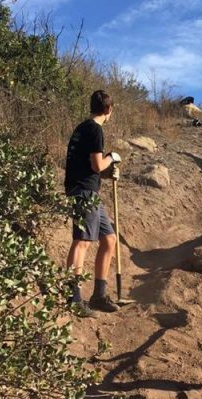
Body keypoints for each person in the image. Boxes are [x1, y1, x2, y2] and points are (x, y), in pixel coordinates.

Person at [64, 90, 123, 316]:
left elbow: (88, 166)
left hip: (88, 190)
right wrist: (113, 157)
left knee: (109, 239)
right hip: (83, 192)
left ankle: (99, 295)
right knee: (82, 242)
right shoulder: (95, 129)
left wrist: (108, 174)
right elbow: (97, 165)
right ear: (108, 109)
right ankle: (74, 298)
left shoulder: (82, 128)